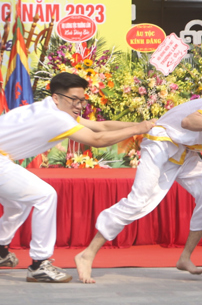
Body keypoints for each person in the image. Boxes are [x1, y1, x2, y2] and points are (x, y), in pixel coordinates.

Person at [75, 93, 202, 283]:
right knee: (139, 201)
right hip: (161, 144)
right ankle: (87, 254)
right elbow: (189, 121)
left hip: (183, 149)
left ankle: (185, 257)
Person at [0, 72, 155, 283]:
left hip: (3, 160)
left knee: (19, 204)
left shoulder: (49, 108)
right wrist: (138, 129)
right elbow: (97, 139)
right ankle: (39, 264)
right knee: (45, 195)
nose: (79, 105)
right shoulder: (55, 117)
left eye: (82, 100)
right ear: (57, 97)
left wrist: (143, 126)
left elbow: (100, 126)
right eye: (74, 99)